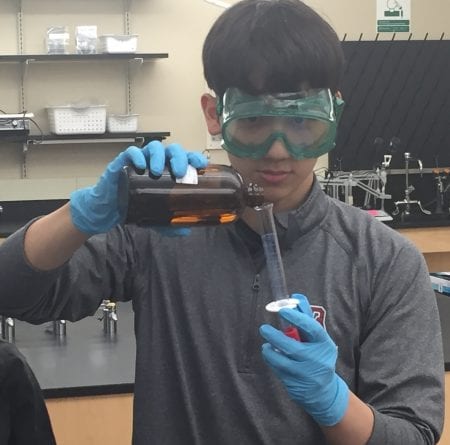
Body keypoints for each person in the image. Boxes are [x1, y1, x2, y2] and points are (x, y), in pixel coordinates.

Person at [0, 0, 444, 443]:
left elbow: (414, 435)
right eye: (253, 121)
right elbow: (12, 293)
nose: (278, 149)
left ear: (333, 115)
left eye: (303, 122)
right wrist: (80, 216)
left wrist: (334, 401)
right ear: (215, 114)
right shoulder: (159, 232)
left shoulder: (384, 261)